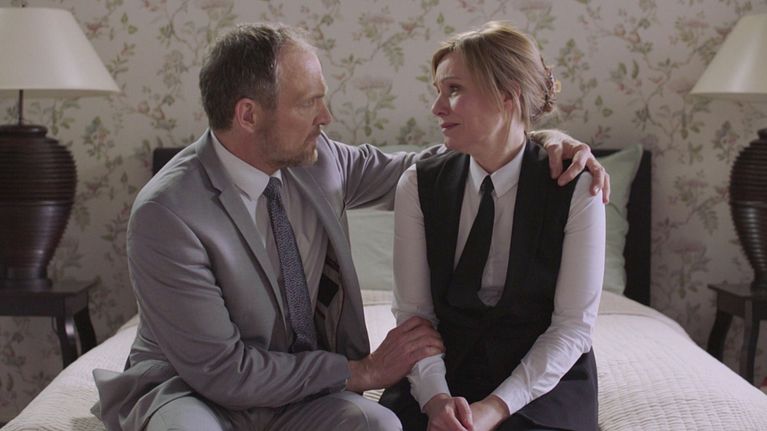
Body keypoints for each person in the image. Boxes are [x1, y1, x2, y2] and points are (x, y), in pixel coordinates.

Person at [92, 22, 608, 431]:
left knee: (381, 426)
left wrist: (540, 140)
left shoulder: (319, 160)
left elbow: (456, 162)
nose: (327, 116)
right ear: (248, 115)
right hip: (193, 389)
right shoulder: (167, 212)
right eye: (308, 102)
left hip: (298, 389)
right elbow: (223, 372)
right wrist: (361, 372)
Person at [380, 21, 606, 431]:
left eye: (454, 89)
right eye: (438, 91)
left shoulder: (577, 187)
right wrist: (436, 400)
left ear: (507, 96)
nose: (436, 108)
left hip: (543, 378)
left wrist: (494, 409)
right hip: (445, 367)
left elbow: (571, 327)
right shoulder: (418, 183)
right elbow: (415, 316)